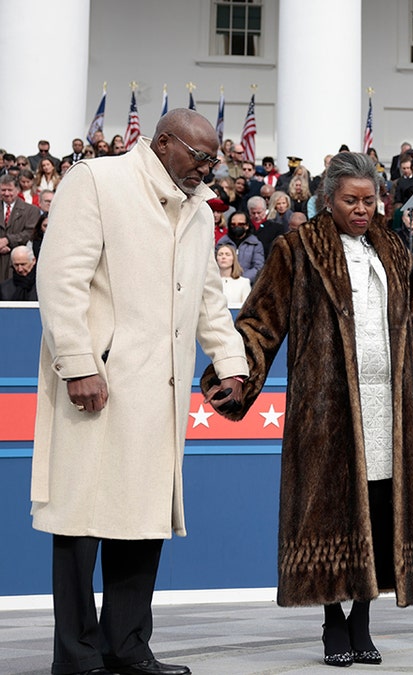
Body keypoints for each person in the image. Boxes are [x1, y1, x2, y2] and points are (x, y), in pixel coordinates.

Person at [204, 152, 413, 667]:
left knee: (380, 506)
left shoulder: (394, 250)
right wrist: (234, 373)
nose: (362, 210)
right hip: (324, 409)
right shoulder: (295, 248)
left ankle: (362, 621)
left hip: (388, 408)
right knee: (329, 513)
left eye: (370, 200)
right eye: (351, 201)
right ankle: (331, 622)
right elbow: (261, 322)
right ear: (328, 200)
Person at [32, 109, 248, 675]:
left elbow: (207, 297)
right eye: (198, 157)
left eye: (212, 160)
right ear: (161, 143)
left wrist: (231, 362)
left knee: (142, 520)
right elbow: (59, 279)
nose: (206, 169)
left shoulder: (198, 210)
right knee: (81, 522)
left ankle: (126, 647)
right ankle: (77, 658)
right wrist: (78, 363)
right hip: (97, 385)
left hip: (161, 392)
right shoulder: (98, 181)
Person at [1, 173, 41, 281]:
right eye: (3, 190)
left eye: (10, 190)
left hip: (19, 266)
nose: (6, 193)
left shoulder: (31, 210)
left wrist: (7, 240)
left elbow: (30, 232)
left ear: (17, 190)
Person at [216, 211, 265, 283]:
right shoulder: (222, 243)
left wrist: (240, 279)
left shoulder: (255, 244)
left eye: (240, 224)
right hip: (223, 282)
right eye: (233, 224)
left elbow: (258, 267)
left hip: (247, 284)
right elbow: (214, 264)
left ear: (247, 226)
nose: (236, 227)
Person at [216, 243, 251, 307]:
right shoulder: (211, 282)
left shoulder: (244, 282)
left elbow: (246, 307)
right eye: (220, 254)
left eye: (227, 254)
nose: (223, 257)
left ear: (233, 259)